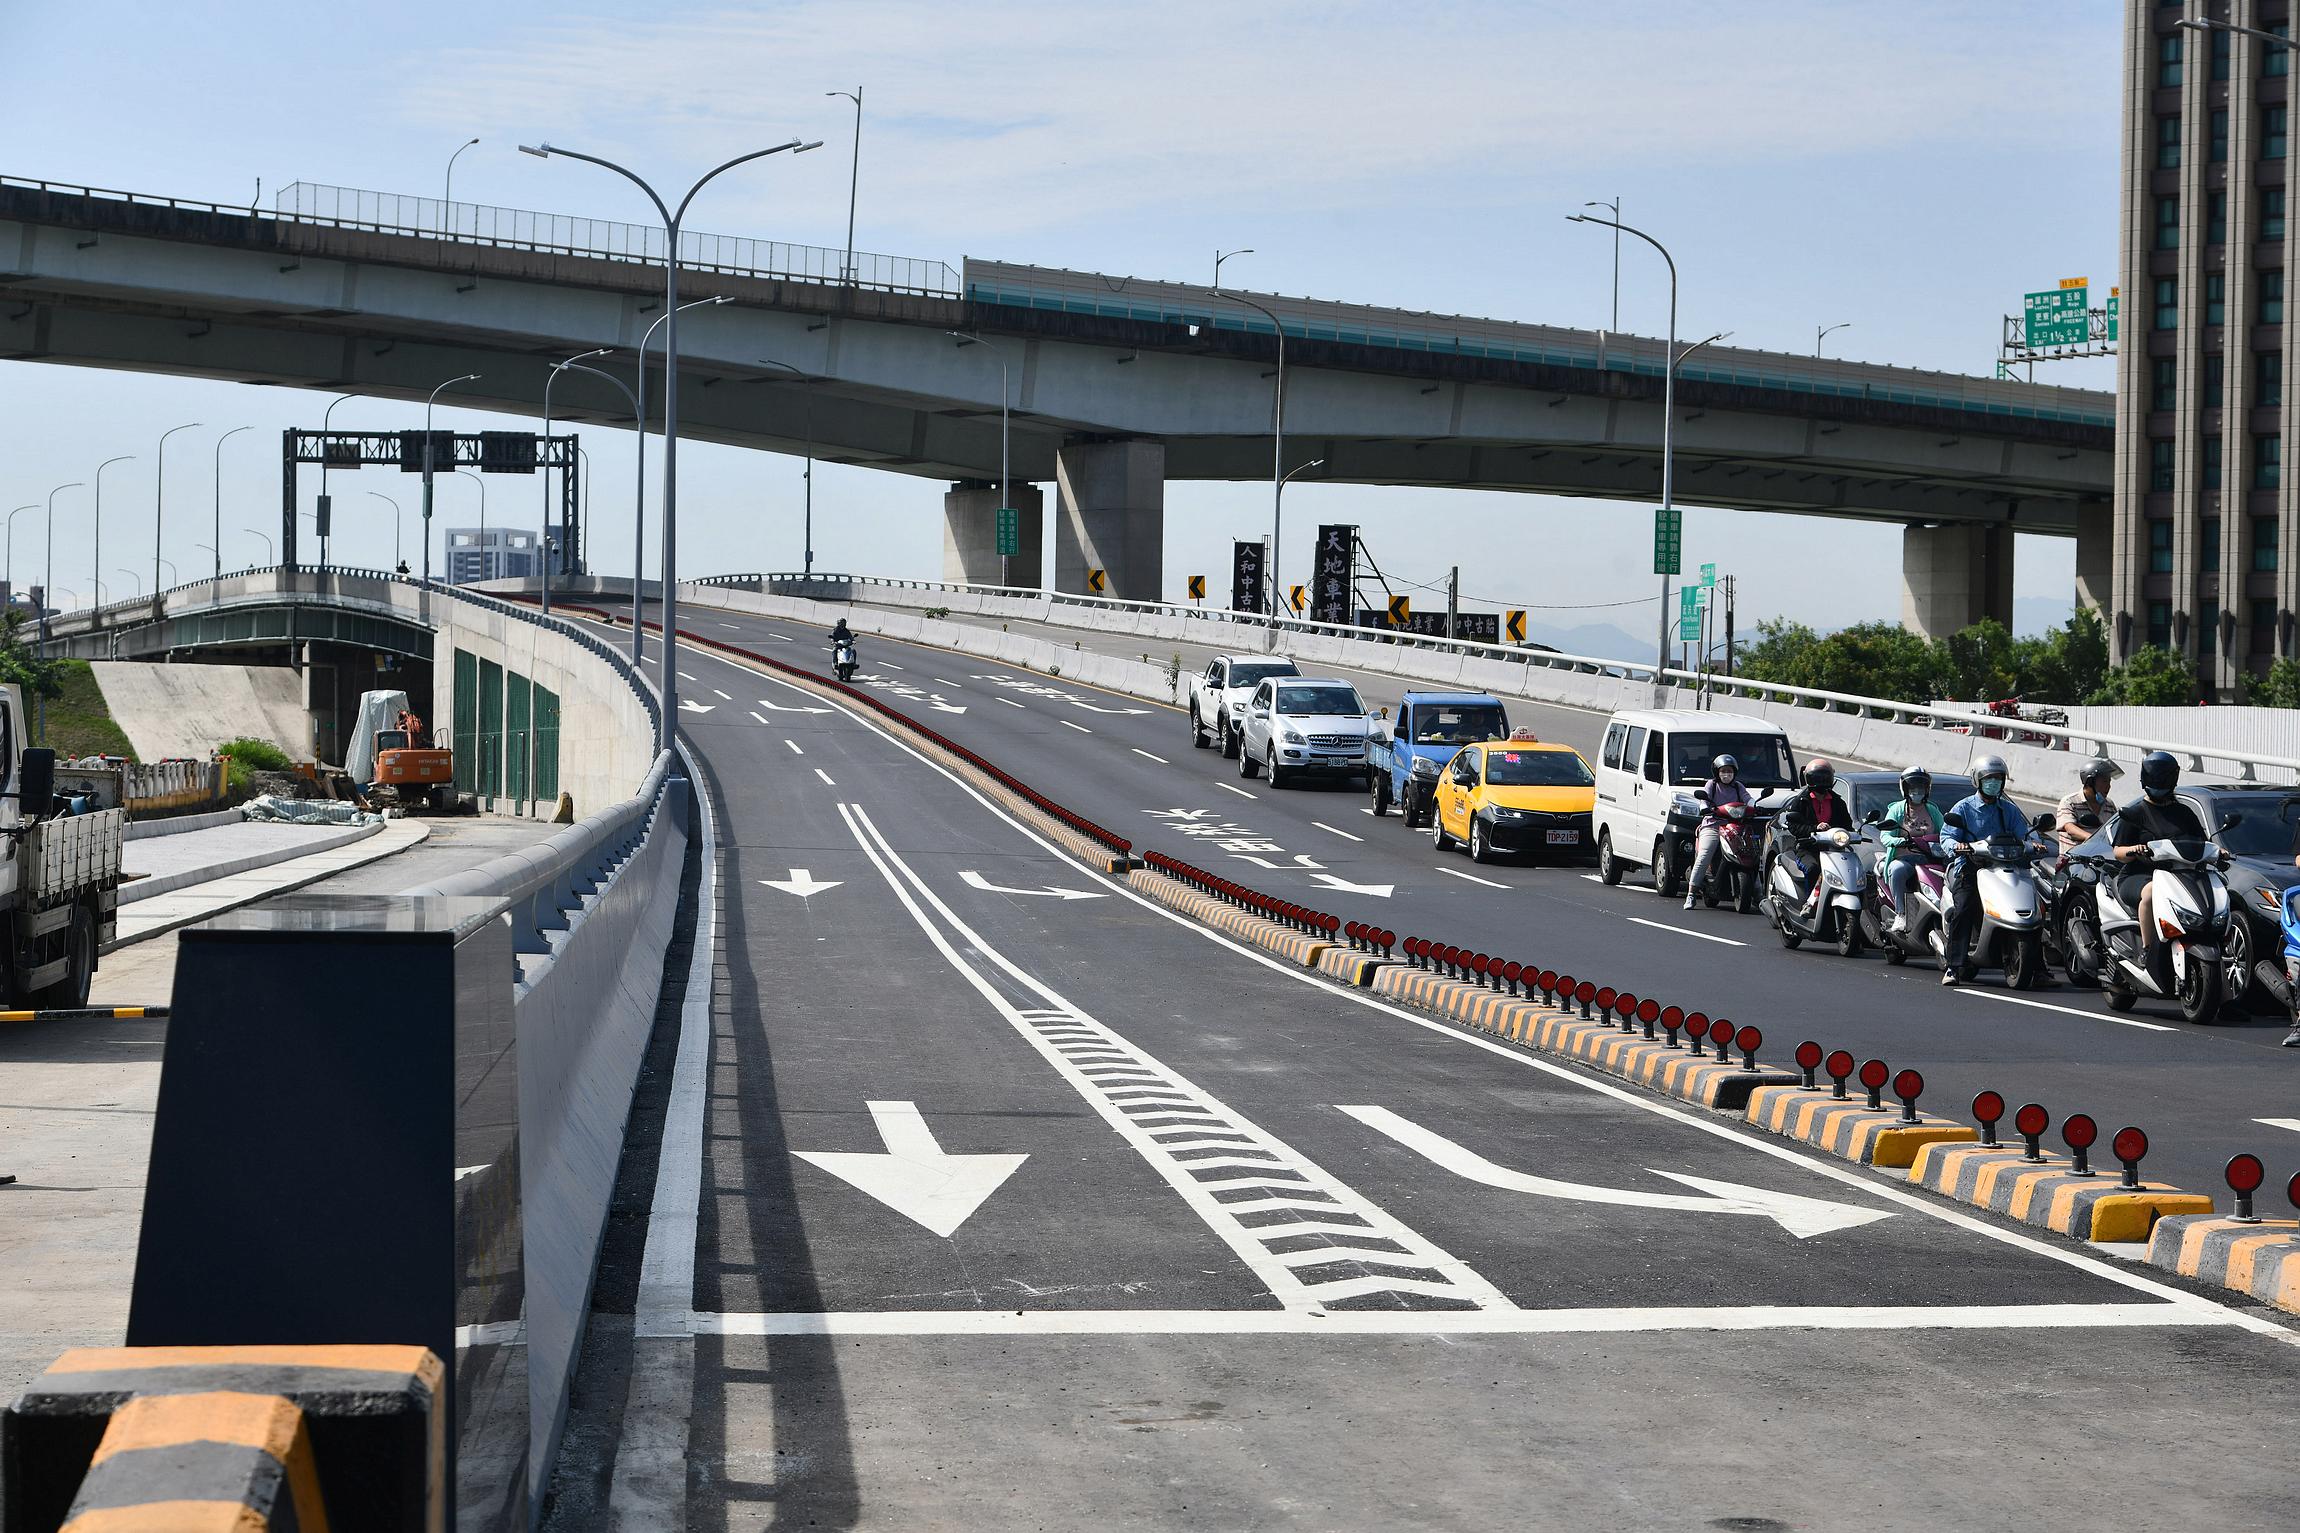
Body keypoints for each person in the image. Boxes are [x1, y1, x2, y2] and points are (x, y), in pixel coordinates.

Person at [2109, 750, 2210, 981]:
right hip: (2140, 875)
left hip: (2180, 876)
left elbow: (2203, 843)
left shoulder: (2184, 813)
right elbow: (2118, 851)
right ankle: (2147, 950)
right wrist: (2136, 850)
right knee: (2154, 893)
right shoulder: (2134, 813)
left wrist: (2219, 852)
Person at [1938, 754, 2035, 986]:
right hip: (1971, 868)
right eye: (1989, 778)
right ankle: (1954, 966)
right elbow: (1946, 837)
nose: (1994, 782)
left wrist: (2034, 843)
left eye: (1998, 778)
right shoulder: (1963, 808)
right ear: (1978, 781)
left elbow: (2025, 833)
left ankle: (2038, 968)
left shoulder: (2009, 810)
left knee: (2034, 907)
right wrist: (1958, 846)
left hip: (2004, 867)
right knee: (1965, 908)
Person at [1770, 758, 1854, 899]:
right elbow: (1794, 826)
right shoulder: (1800, 801)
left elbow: (1847, 825)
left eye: (1825, 777)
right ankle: (1810, 902)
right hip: (1807, 848)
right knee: (1813, 869)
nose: (1821, 781)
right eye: (1817, 777)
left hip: (1834, 850)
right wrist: (1814, 828)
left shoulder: (1838, 802)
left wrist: (1849, 834)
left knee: (1850, 871)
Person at [1877, 765, 1944, 938]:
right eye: (1913, 788)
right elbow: (1885, 837)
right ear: (1905, 789)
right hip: (1905, 859)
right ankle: (1901, 914)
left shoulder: (1933, 811)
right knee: (1896, 870)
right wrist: (1900, 840)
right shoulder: (1897, 810)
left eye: (1921, 788)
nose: (1917, 792)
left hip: (1929, 859)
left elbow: (1945, 833)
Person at [1683, 753, 1753, 910]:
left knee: (1749, 854)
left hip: (1733, 826)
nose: (1726, 774)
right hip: (1713, 825)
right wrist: (1705, 808)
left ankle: (1759, 893)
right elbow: (1704, 799)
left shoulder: (1738, 786)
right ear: (1717, 772)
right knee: (1704, 855)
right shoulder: (1711, 785)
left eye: (1729, 771)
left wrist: (1754, 806)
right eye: (1723, 771)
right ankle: (1691, 894)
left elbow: (1748, 799)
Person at [2055, 756, 2120, 851]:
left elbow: (2116, 829)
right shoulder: (2069, 802)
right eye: (2104, 781)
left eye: (2109, 782)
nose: (2108, 786)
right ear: (2090, 782)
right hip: (2074, 860)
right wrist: (2095, 839)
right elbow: (2070, 828)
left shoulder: (2109, 805)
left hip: (2100, 858)